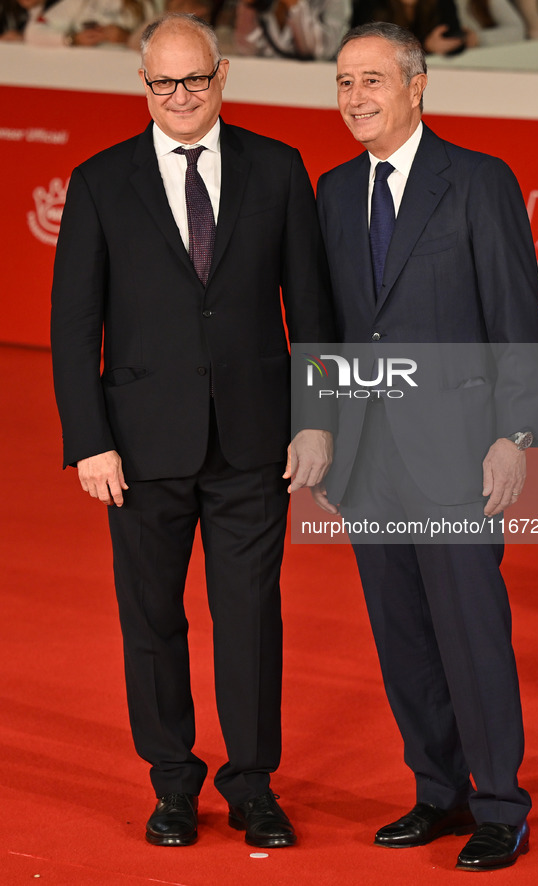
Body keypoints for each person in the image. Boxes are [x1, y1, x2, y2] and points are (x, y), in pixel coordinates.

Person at [51, 12, 334, 849]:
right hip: (138, 449)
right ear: (143, 85)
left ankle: (253, 787)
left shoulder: (278, 169)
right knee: (152, 621)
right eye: (162, 82)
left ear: (222, 77)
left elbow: (312, 313)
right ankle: (172, 784)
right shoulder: (100, 180)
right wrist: (89, 439)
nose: (179, 96)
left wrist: (318, 420)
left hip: (256, 444)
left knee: (250, 618)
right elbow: (75, 325)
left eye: (195, 79)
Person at [313, 22, 538, 872]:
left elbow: (517, 320)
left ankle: (499, 805)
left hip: (458, 450)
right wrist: (327, 437)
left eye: (372, 80)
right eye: (343, 82)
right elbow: (332, 327)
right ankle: (437, 791)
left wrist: (512, 434)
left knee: (471, 634)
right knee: (402, 635)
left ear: (417, 87)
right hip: (368, 459)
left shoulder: (478, 182)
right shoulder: (332, 191)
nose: (355, 98)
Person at [233, 0, 351, 59]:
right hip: (264, 86)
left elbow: (321, 52)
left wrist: (295, 5)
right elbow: (246, 49)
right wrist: (250, 8)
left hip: (314, 90)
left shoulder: (335, 2)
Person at [351, 0, 467, 56]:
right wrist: (425, 47)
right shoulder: (369, 4)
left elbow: (454, 40)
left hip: (434, 76)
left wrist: (463, 38)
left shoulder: (442, 3)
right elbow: (364, 48)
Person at [17, 0, 152, 47]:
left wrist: (127, 39)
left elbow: (160, 43)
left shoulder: (143, 4)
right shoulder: (79, 2)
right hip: (81, 77)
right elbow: (34, 33)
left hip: (123, 81)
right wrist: (74, 39)